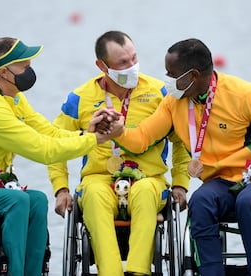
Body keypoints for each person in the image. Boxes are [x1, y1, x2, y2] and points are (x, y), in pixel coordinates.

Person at [113, 38, 251, 276]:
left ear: (192, 76)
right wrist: (116, 130)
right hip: (223, 181)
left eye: (171, 74)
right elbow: (141, 138)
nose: (166, 79)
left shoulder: (246, 95)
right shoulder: (173, 102)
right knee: (200, 202)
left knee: (250, 202)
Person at [0, 37, 123, 276]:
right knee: (16, 200)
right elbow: (43, 150)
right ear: (3, 73)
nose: (30, 68)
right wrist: (94, 141)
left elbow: (49, 132)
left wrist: (86, 132)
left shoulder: (14, 99)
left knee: (37, 199)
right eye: (24, 65)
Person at [48, 30, 190, 276]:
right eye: (123, 63)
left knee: (145, 192)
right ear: (102, 66)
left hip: (148, 179)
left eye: (134, 58)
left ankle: (138, 271)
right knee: (93, 194)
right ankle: (110, 272)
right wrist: (61, 189)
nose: (132, 67)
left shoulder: (161, 94)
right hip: (99, 178)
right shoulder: (79, 98)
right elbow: (56, 145)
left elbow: (183, 142)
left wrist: (180, 184)